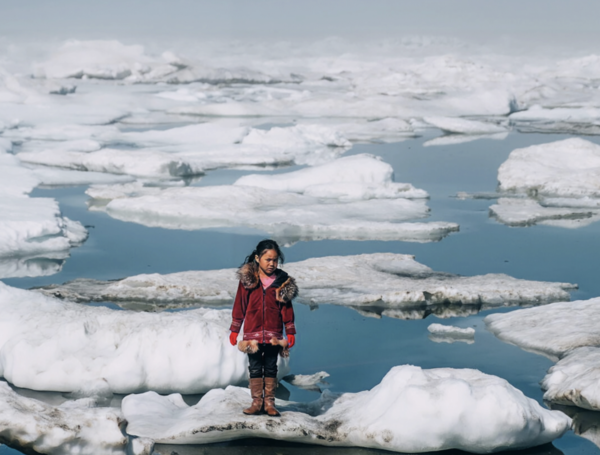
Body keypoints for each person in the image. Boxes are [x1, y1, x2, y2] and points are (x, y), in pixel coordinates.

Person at [229, 239, 298, 417]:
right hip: (252, 332)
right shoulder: (248, 279)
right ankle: (256, 402)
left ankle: (269, 403)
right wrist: (235, 328)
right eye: (268, 259)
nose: (271, 263)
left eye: (275, 260)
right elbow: (240, 305)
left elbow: (287, 308)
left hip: (274, 333)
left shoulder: (282, 281)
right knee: (254, 366)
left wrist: (290, 330)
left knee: (270, 366)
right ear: (258, 258)